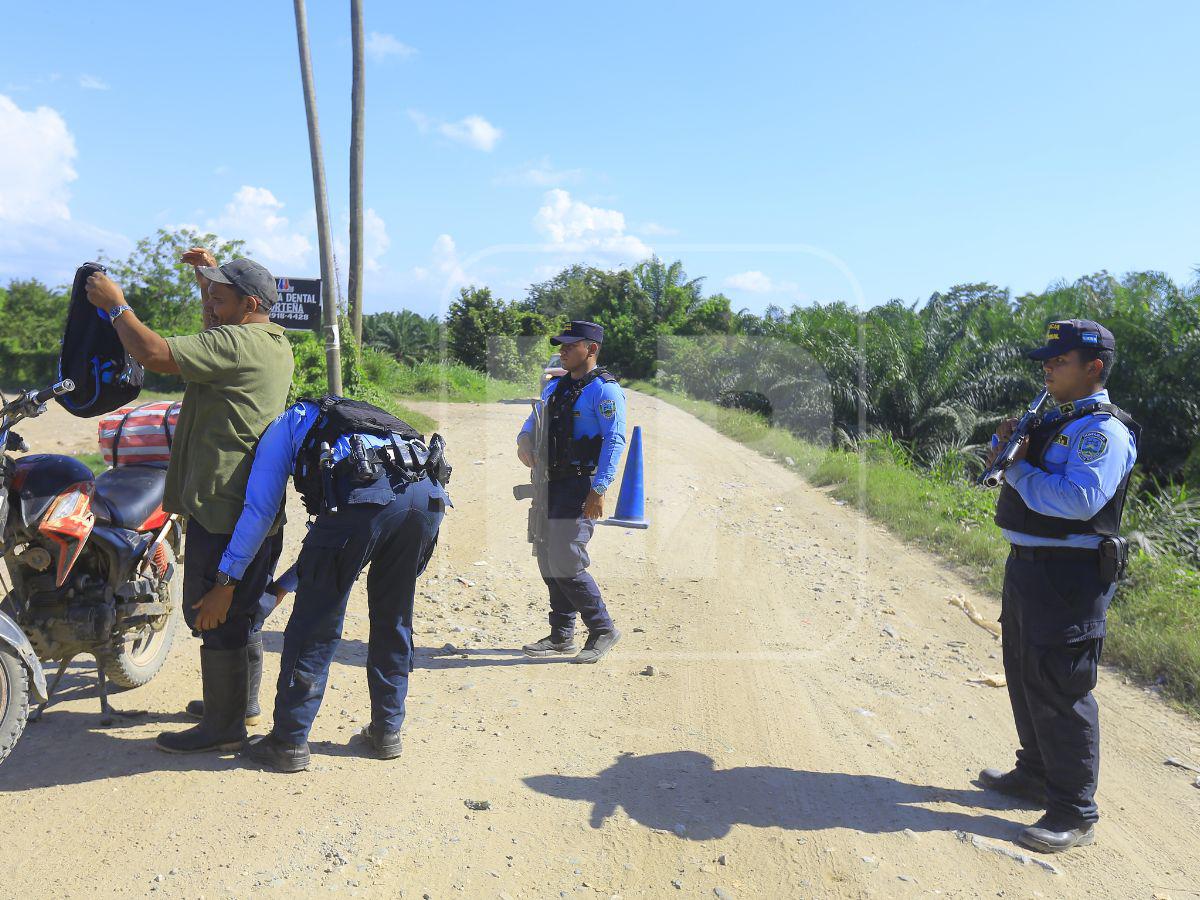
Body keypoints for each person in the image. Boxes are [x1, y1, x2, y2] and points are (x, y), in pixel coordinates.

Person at [86, 252, 294, 754]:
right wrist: (211, 275)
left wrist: (118, 308)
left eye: (219, 295)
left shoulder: (235, 342)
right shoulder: (270, 341)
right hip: (252, 509)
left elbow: (155, 354)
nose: (210, 300)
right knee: (242, 612)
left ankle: (223, 727)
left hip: (222, 509)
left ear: (248, 304)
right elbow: (216, 319)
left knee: (213, 614)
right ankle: (238, 704)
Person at [979, 319, 1139, 853]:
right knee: (1024, 671)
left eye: (1058, 362)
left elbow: (1078, 501)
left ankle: (1074, 811)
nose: (1047, 369)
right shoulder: (1055, 418)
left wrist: (1018, 469)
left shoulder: (1103, 431)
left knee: (1062, 686)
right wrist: (1007, 451)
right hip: (1028, 564)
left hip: (1069, 576)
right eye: (1046, 362)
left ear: (1092, 368)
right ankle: (1034, 774)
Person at [235, 397, 449, 773]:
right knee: (394, 616)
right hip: (427, 497)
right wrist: (284, 585)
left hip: (367, 500)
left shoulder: (287, 422)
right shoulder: (365, 420)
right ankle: (387, 732)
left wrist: (229, 574)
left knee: (316, 623)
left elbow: (261, 509)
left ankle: (288, 741)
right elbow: (334, 541)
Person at [517, 321, 626, 664]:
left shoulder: (605, 391)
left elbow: (614, 440)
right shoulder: (556, 387)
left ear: (591, 349)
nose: (562, 350)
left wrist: (600, 488)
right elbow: (533, 421)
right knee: (547, 555)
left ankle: (602, 629)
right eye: (561, 346)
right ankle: (562, 634)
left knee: (566, 556)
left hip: (581, 485)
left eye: (569, 345)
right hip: (549, 483)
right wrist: (523, 439)